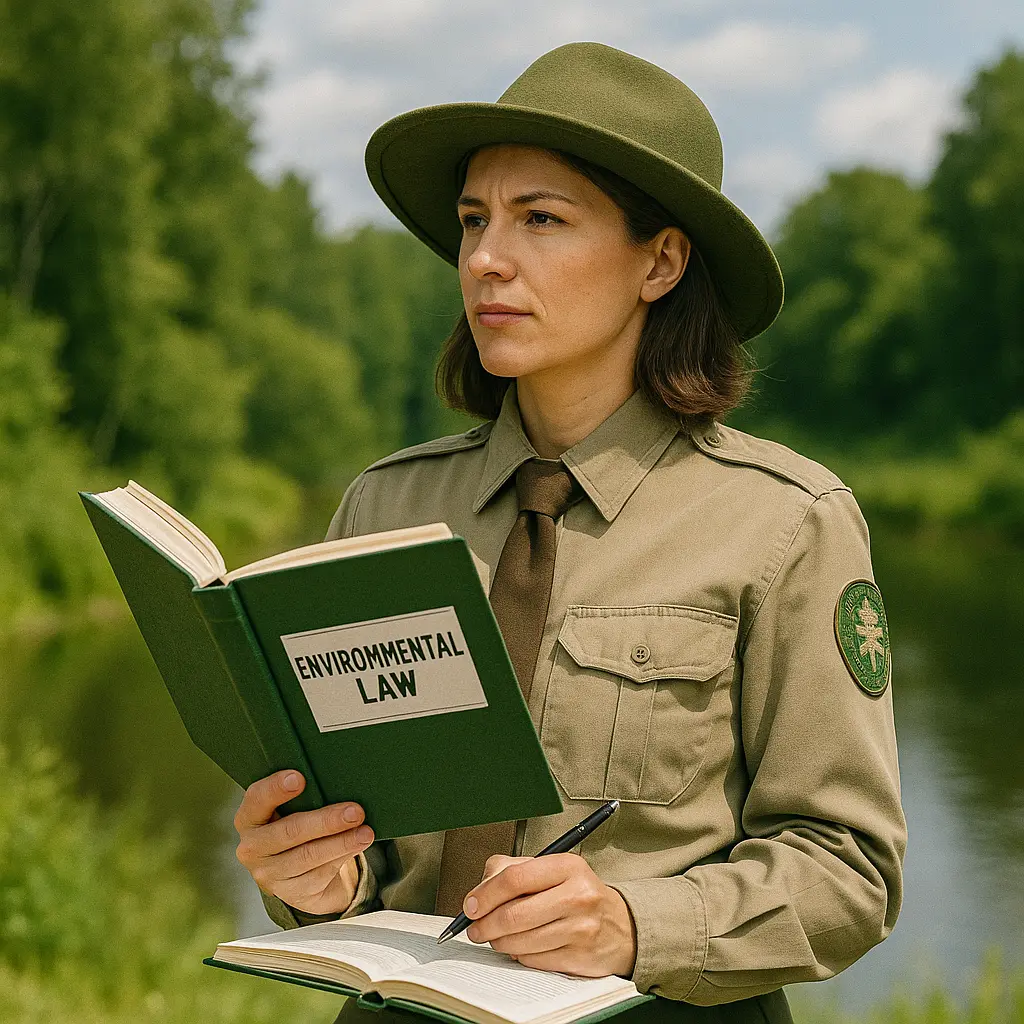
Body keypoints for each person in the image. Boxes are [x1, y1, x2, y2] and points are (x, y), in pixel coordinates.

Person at [232, 41, 906, 1024]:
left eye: (539, 219)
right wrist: (316, 874)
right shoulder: (381, 509)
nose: (484, 258)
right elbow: (363, 846)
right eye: (473, 221)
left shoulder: (786, 521)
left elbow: (849, 871)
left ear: (660, 262)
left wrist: (637, 923)